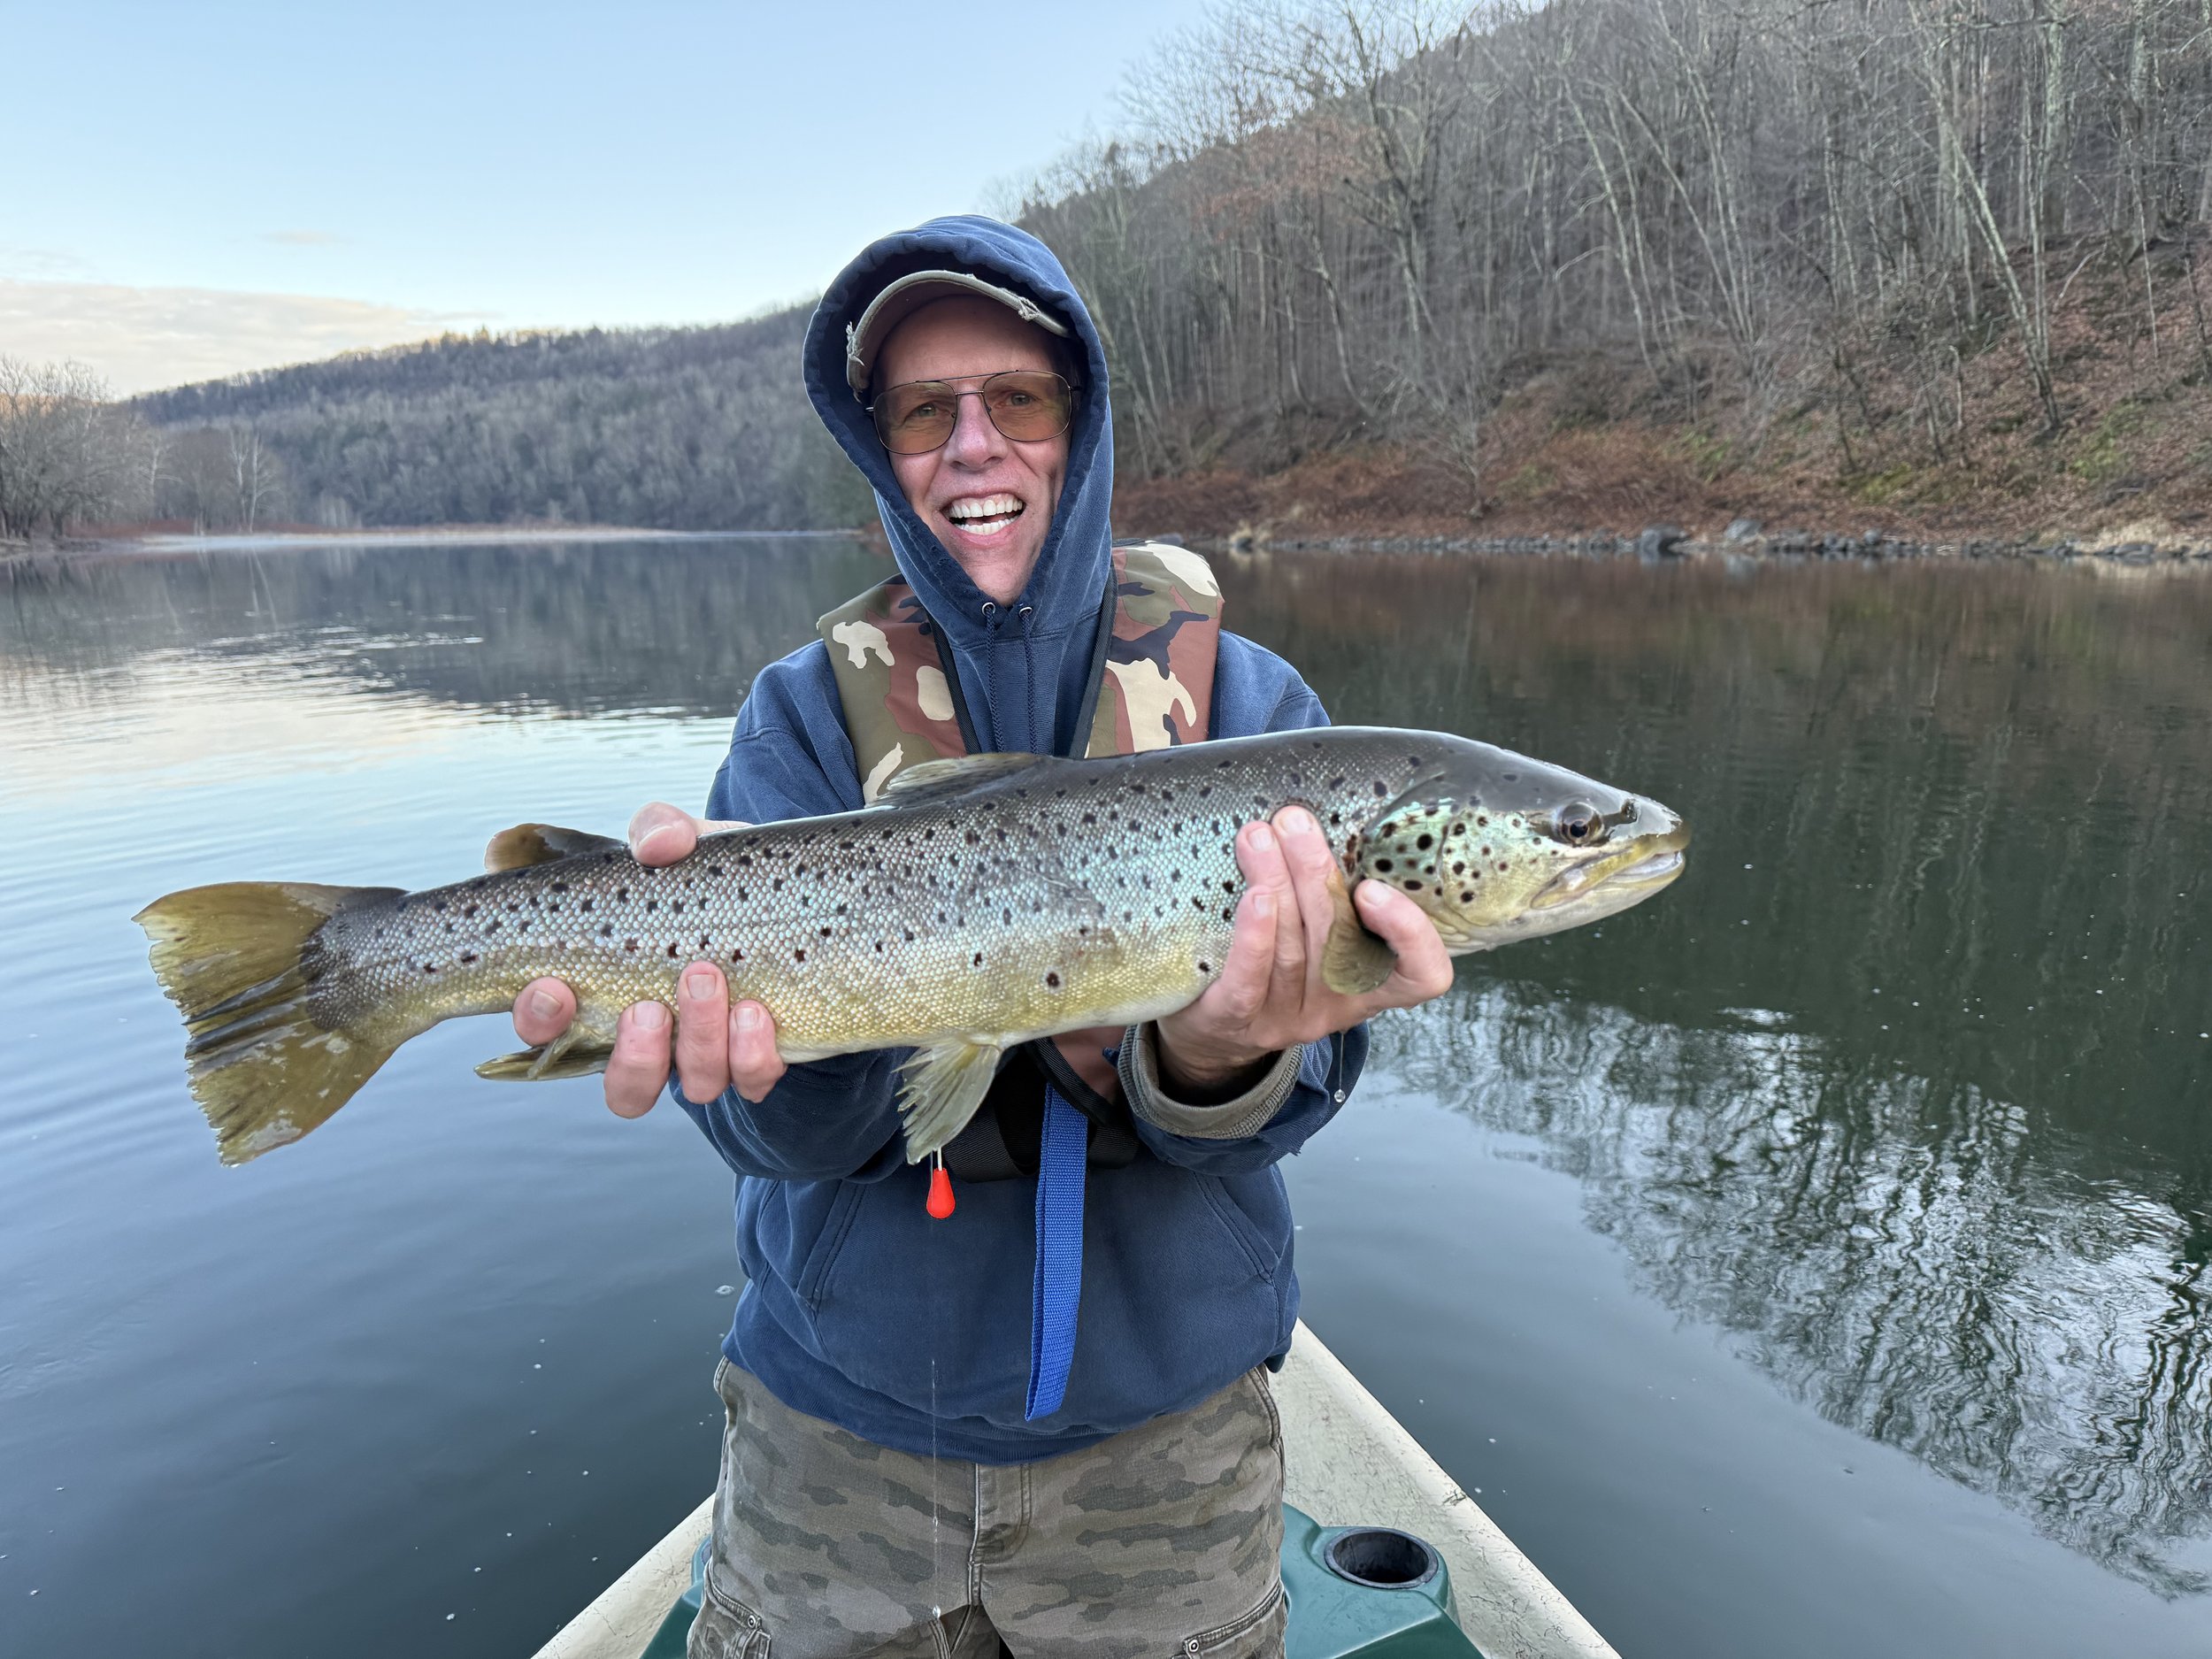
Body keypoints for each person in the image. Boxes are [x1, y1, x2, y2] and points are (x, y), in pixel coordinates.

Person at [510, 217, 1452, 1658]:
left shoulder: (1258, 714)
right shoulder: (805, 717)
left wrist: (1212, 1060)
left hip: (1165, 1448)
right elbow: (776, 1150)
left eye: (1015, 399)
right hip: (838, 1439)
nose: (972, 446)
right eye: (920, 411)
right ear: (879, 448)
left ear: (1081, 424)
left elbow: (1299, 1101)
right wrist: (772, 1073)